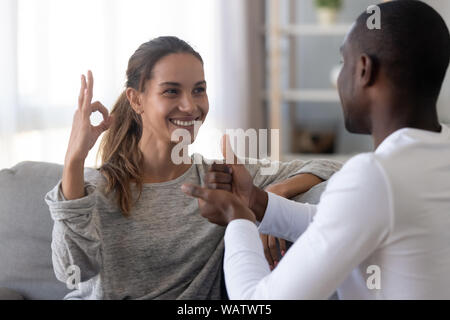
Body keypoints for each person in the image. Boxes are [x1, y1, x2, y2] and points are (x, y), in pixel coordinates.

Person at [182, 0, 450, 299]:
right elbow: (334, 220)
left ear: (364, 70)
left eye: (343, 63)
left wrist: (237, 217)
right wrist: (254, 200)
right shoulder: (437, 153)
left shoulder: (375, 176)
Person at [44, 36, 342, 299]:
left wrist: (266, 199)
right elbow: (73, 272)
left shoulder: (219, 180)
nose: (190, 106)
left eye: (199, 90)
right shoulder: (97, 188)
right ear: (137, 100)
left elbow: (330, 167)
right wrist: (74, 161)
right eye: (171, 92)